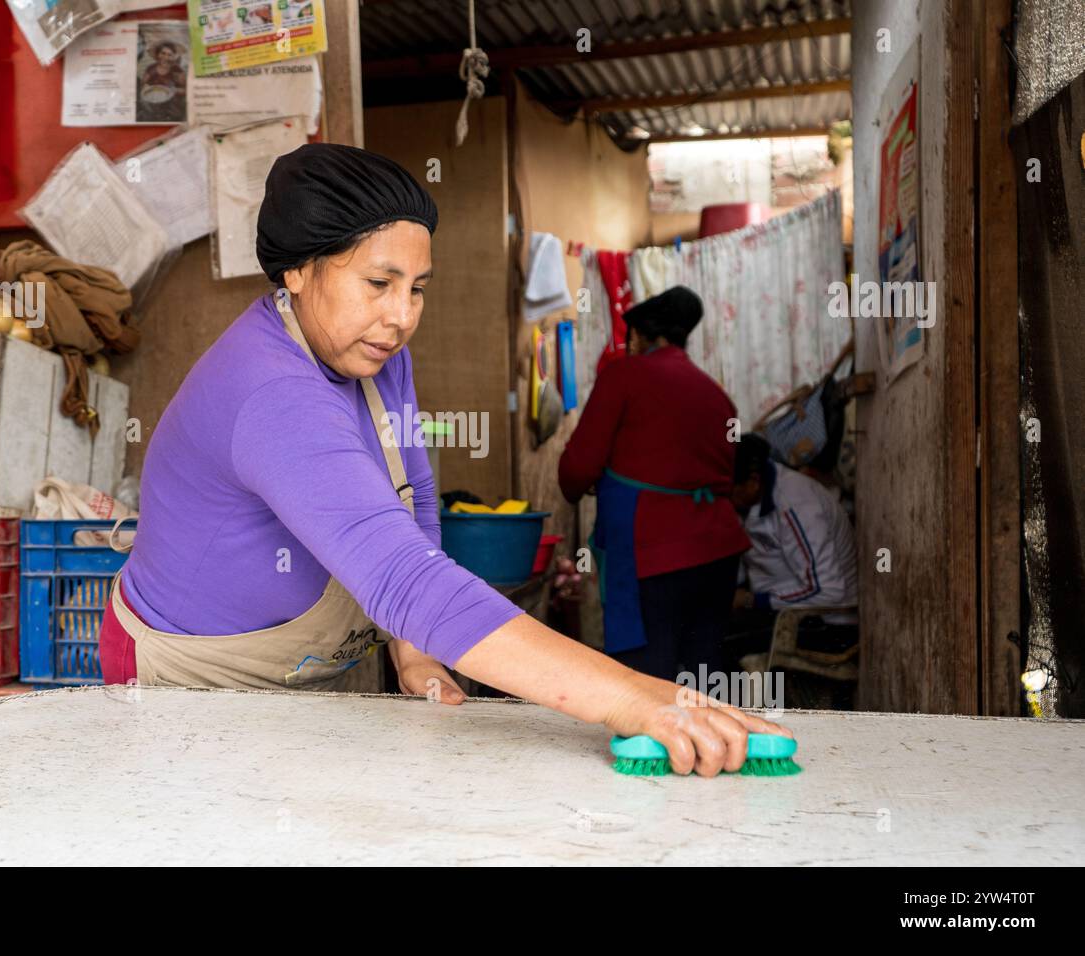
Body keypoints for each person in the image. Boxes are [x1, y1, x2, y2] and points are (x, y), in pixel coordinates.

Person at [97, 144, 788, 775]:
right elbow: (402, 579)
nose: (402, 316)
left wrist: (415, 648)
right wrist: (634, 698)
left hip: (300, 675)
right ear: (298, 271)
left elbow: (414, 498)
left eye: (418, 288)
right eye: (379, 283)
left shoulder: (374, 356)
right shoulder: (272, 392)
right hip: (190, 682)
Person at [558, 286, 751, 683]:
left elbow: (578, 468)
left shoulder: (624, 376)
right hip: (719, 552)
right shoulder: (717, 395)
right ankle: (708, 744)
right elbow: (723, 475)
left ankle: (650, 745)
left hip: (653, 550)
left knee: (646, 676)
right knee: (703, 673)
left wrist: (591, 483)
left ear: (641, 336)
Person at [729, 433, 858, 655]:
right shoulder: (752, 502)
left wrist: (752, 600)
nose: (726, 498)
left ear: (752, 482)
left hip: (828, 623)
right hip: (780, 611)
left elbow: (829, 591)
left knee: (723, 647)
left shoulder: (795, 503)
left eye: (731, 490)